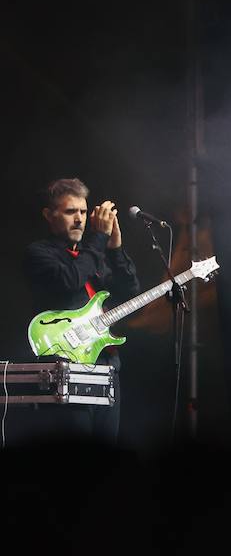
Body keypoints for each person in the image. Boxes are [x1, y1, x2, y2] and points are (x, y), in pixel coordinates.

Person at [21, 177, 140, 443]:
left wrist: (116, 249)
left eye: (84, 212)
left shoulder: (94, 256)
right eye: (70, 211)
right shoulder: (39, 253)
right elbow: (70, 280)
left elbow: (129, 292)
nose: (79, 219)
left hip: (106, 367)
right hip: (66, 367)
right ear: (49, 216)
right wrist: (98, 239)